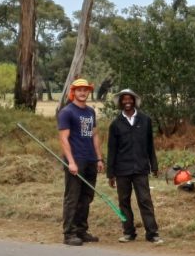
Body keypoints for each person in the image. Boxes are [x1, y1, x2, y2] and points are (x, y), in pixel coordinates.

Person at [107, 88, 163, 244]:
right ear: (120, 102)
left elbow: (150, 145)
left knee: (145, 200)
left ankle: (152, 233)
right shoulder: (116, 124)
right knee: (123, 202)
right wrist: (110, 174)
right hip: (121, 170)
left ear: (134, 101)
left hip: (141, 168)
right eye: (124, 99)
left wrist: (154, 165)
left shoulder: (145, 120)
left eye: (129, 99)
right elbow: (111, 150)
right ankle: (128, 232)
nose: (127, 102)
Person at [57, 78, 104, 246]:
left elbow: (94, 135)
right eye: (79, 90)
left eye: (85, 90)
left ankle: (81, 230)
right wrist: (70, 162)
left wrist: (98, 158)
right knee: (73, 197)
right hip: (76, 160)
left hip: (90, 159)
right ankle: (69, 233)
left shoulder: (90, 112)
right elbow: (64, 138)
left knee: (86, 197)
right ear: (73, 92)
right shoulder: (67, 112)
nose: (82, 93)